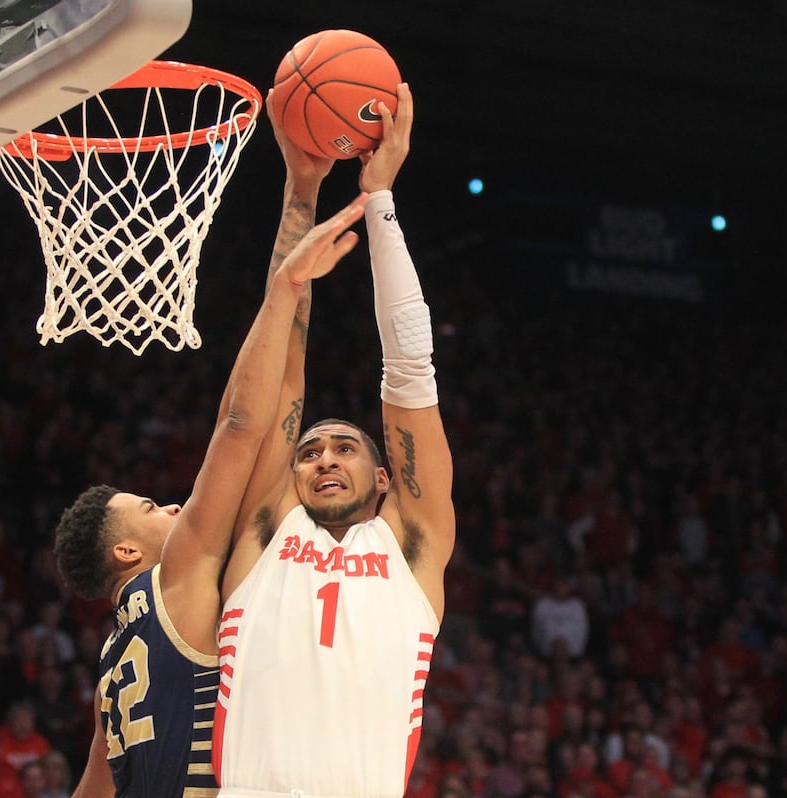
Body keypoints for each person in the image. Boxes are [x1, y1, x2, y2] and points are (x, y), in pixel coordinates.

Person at [54, 146, 371, 795]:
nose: (171, 507)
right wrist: (286, 277)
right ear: (126, 550)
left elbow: (92, 791)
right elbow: (240, 424)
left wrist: (302, 190)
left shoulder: (112, 672)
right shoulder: (177, 577)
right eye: (150, 509)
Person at [213, 82, 457, 798]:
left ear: (386, 479)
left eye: (346, 447)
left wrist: (379, 200)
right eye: (311, 449)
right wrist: (301, 188)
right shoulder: (266, 528)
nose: (322, 457)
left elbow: (412, 369)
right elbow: (280, 371)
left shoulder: (411, 546)